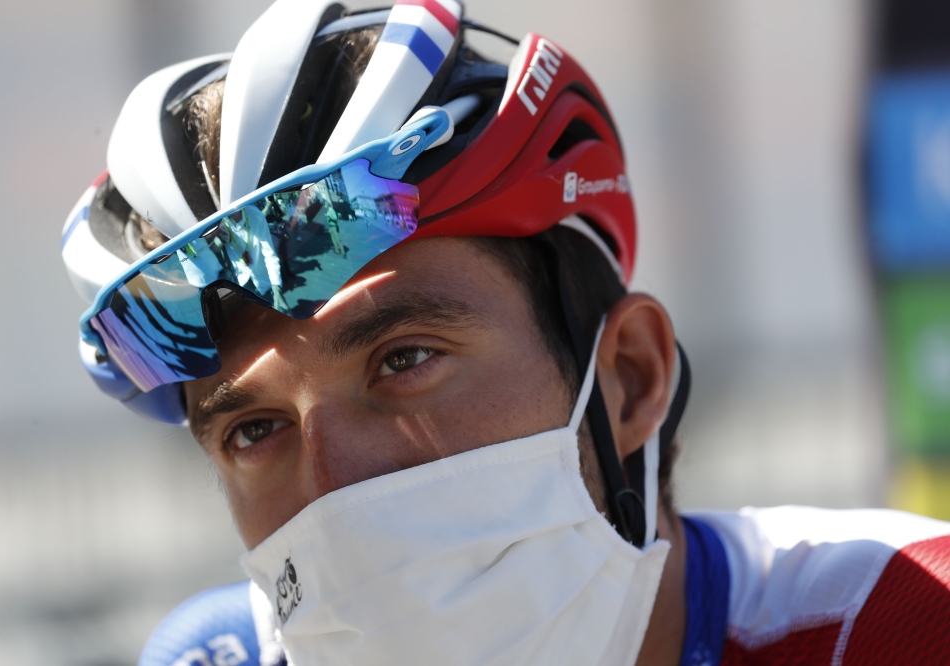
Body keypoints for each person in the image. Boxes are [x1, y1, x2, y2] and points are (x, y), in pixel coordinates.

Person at [59, 1, 950, 664]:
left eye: (404, 360)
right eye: (253, 430)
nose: (336, 489)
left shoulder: (907, 625)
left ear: (629, 379)